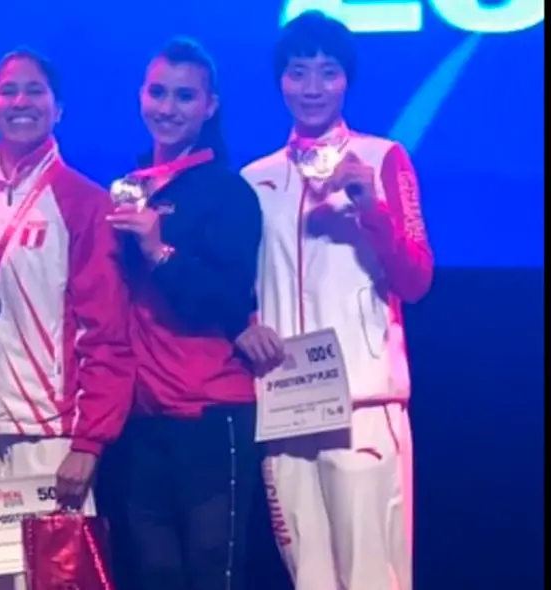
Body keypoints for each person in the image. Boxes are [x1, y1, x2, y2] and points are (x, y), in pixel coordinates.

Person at [238, 11, 434, 590]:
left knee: (372, 578)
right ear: (281, 82)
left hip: (364, 407)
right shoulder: (256, 178)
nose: (313, 87)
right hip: (286, 404)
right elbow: (245, 288)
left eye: (328, 72)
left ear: (347, 80)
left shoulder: (382, 158)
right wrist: (248, 322)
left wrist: (369, 211)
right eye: (299, 73)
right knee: (311, 580)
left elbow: (417, 279)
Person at [0, 47, 135, 590]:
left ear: (59, 108)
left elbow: (107, 333)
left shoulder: (82, 202)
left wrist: (89, 442)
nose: (21, 102)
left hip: (48, 437)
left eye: (35, 90)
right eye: (8, 91)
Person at [106, 37, 264, 590]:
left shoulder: (229, 193)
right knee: (152, 574)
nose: (167, 108)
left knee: (209, 571)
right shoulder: (128, 188)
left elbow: (228, 300)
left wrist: (158, 251)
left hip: (210, 409)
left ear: (210, 106)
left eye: (184, 96)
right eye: (157, 92)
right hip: (141, 414)